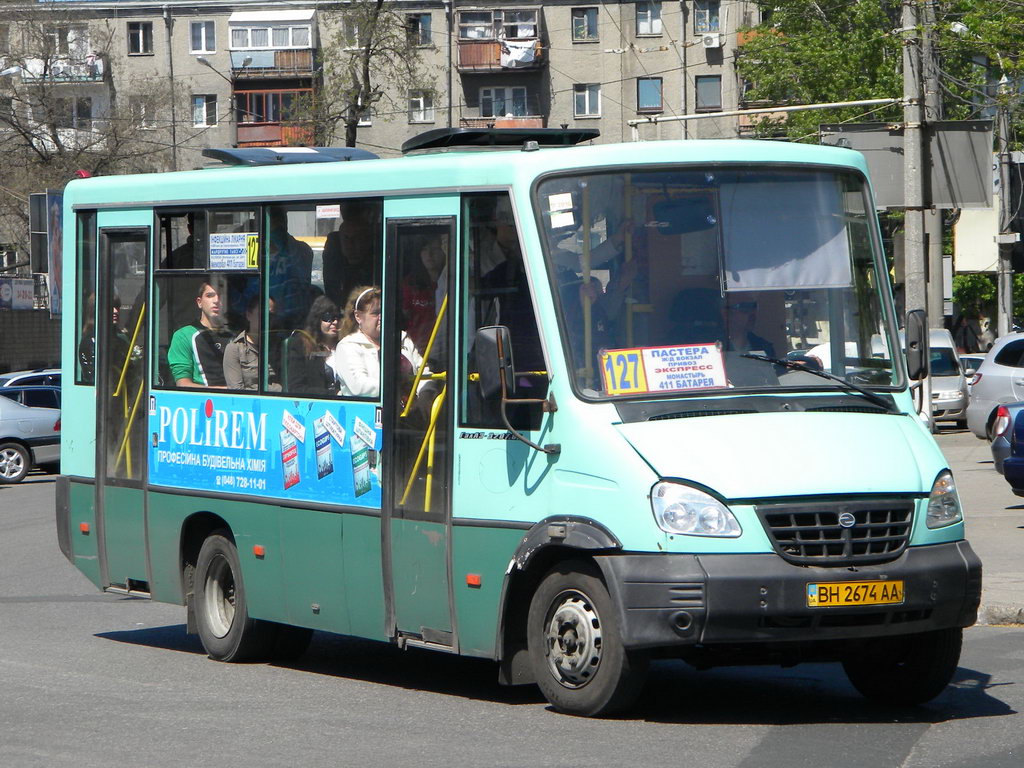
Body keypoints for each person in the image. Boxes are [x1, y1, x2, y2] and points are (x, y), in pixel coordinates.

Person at [333, 286, 426, 399]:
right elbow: (358, 386)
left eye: (384, 311)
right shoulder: (348, 346)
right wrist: (397, 384)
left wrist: (425, 394)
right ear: (358, 316)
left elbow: (424, 372)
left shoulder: (402, 339)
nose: (382, 317)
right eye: (375, 313)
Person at [167, 280, 234, 388]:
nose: (216, 300)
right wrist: (224, 391)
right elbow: (182, 384)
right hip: (200, 402)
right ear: (199, 302)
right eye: (210, 295)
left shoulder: (234, 336)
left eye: (221, 296)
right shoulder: (183, 335)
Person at [323, 200, 379, 310]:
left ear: (368, 241)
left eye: (358, 239)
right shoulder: (336, 268)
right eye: (346, 238)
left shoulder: (376, 269)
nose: (351, 246)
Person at [284, 295, 341, 396]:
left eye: (338, 317)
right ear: (317, 319)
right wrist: (333, 394)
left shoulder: (346, 345)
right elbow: (296, 388)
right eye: (328, 317)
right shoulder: (300, 345)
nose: (335, 322)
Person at [266, 207, 314, 328]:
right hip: (263, 321)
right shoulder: (256, 255)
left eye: (279, 221)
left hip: (293, 321)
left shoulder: (300, 250)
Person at [223, 295, 280, 391]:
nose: (267, 319)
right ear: (249, 315)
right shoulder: (234, 349)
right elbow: (236, 392)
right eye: (262, 314)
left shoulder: (279, 347)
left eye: (271, 315)